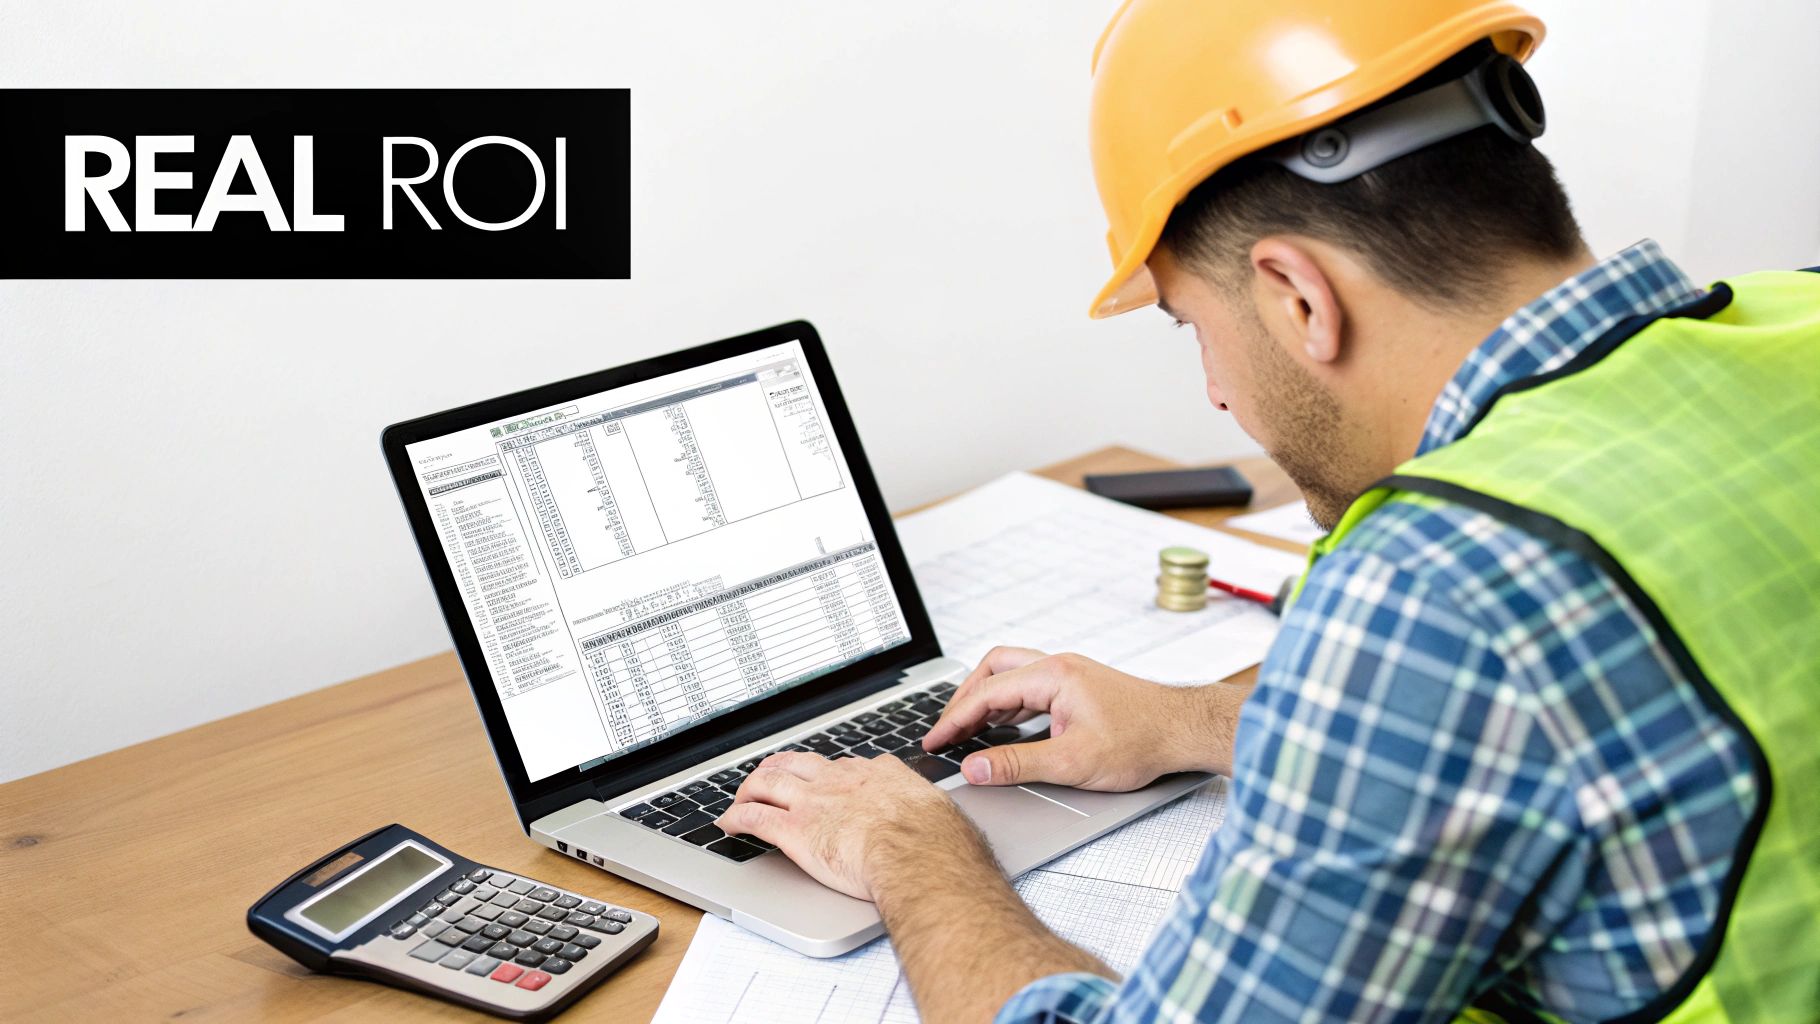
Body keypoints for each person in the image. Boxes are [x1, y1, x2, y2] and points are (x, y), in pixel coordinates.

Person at [715, 1, 1820, 1020]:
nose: (1215, 394)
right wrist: (1189, 721)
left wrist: (912, 848)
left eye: (1190, 323)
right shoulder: (1795, 321)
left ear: (1296, 294)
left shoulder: (1437, 581)